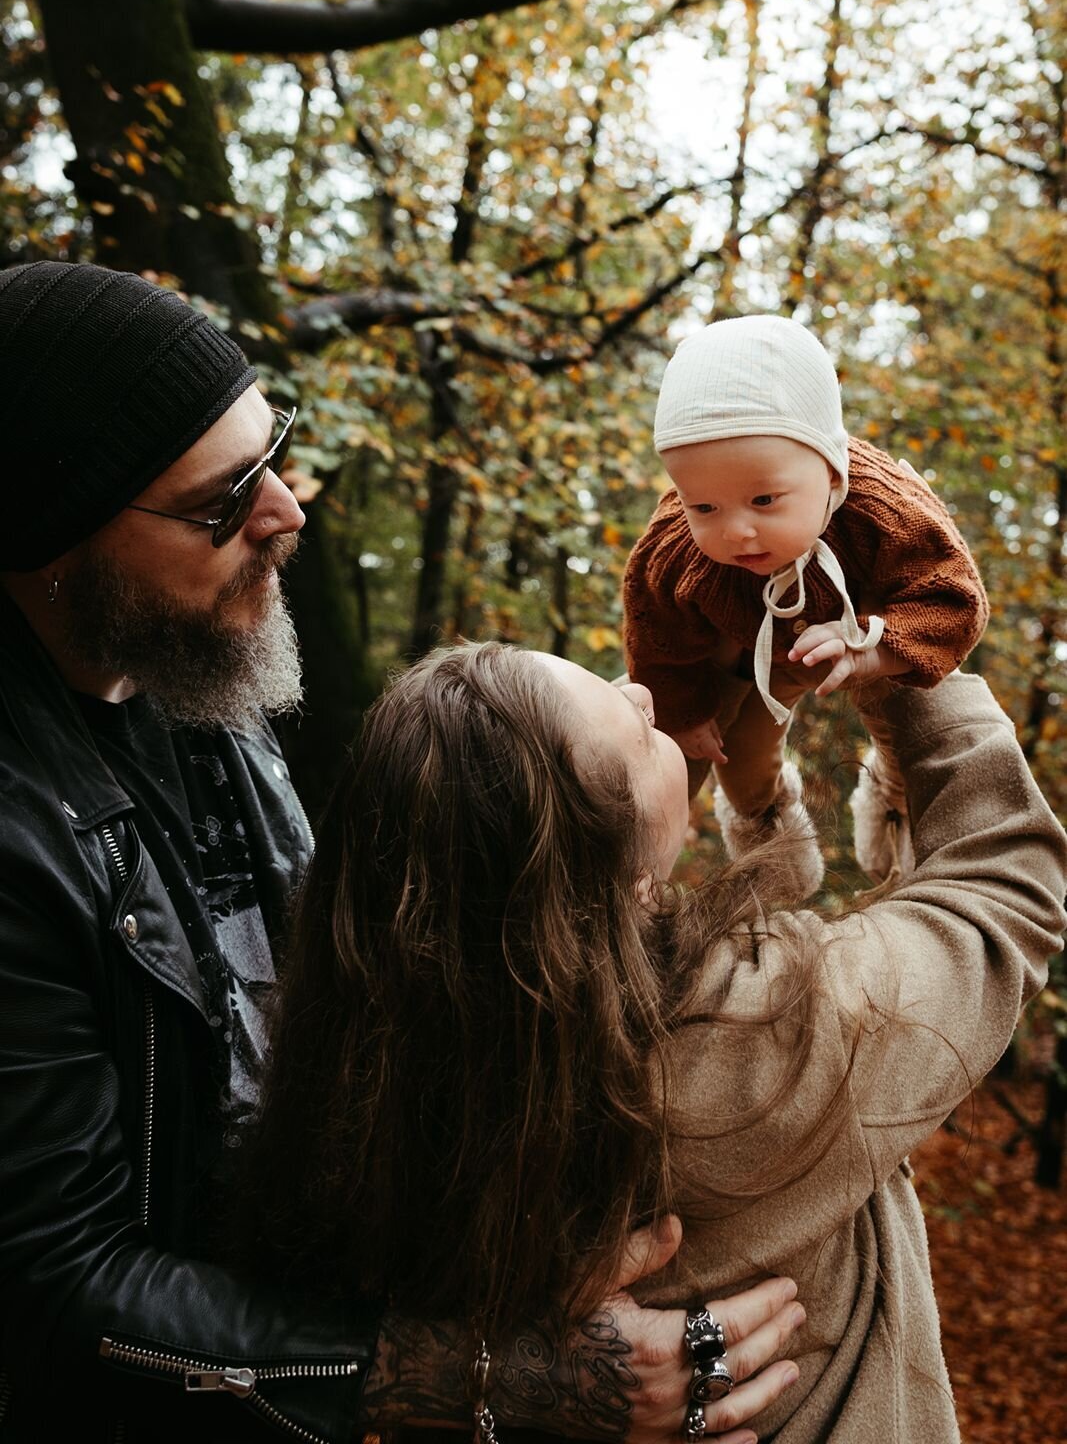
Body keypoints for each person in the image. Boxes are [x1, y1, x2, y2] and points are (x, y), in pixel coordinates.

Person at [0, 261, 804, 1444]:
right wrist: (492, 1372)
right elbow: (52, 1289)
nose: (287, 510)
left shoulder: (202, 697)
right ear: (49, 542)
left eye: (278, 448)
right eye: (223, 503)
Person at [243, 638, 1066, 1444]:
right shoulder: (760, 1033)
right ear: (627, 881)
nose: (638, 694)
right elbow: (1001, 886)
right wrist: (909, 663)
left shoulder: (360, 1078)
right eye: (635, 729)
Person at [623, 315, 989, 894]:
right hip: (753, 643)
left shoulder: (885, 512)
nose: (737, 530)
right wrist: (684, 711)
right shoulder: (674, 550)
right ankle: (774, 840)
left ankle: (892, 799)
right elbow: (656, 632)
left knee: (908, 721)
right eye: (704, 507)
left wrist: (874, 648)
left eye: (764, 499)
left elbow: (956, 601)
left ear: (831, 469)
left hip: (870, 617)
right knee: (737, 756)